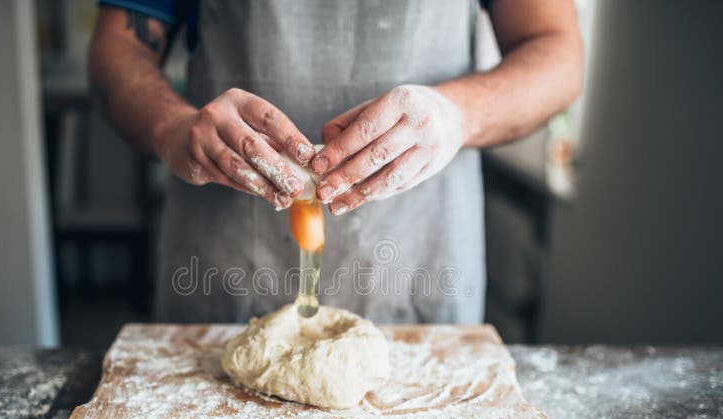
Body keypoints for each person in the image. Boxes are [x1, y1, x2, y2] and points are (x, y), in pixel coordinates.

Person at [89, 0, 583, 324]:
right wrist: (172, 127)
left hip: (419, 257)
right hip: (227, 263)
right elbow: (119, 45)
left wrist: (458, 114)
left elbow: (556, 50)